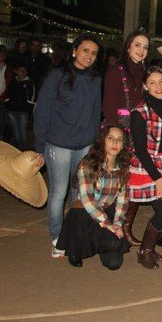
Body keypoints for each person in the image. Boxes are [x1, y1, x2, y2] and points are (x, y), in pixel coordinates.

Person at [34, 35, 103, 257]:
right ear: (74, 51)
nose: (89, 56)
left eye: (94, 53)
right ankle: (57, 238)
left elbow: (96, 113)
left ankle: (71, 235)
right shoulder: (57, 76)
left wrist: (94, 143)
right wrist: (39, 146)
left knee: (78, 192)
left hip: (84, 145)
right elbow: (42, 111)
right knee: (59, 192)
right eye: (85, 50)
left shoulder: (95, 79)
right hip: (58, 145)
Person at [55, 126, 132, 269]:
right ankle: (79, 246)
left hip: (107, 209)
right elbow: (88, 200)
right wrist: (107, 224)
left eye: (120, 140)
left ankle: (98, 243)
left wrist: (117, 224)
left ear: (123, 146)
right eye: (110, 138)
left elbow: (123, 200)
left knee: (114, 263)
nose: (115, 143)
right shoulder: (88, 163)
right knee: (102, 237)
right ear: (103, 141)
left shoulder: (123, 167)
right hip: (84, 212)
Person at [129, 66, 162, 269]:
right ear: (145, 86)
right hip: (149, 168)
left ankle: (151, 246)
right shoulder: (139, 112)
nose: (158, 86)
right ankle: (144, 250)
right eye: (152, 82)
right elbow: (141, 152)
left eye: (161, 81)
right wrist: (159, 180)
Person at [103, 30, 149, 129]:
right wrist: (116, 132)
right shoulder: (116, 71)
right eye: (137, 45)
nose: (141, 50)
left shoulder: (146, 74)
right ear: (128, 47)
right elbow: (108, 107)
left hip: (141, 129)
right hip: (120, 128)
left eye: (145, 47)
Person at [5, 62, 35, 150]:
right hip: (12, 110)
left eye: (24, 71)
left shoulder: (29, 83)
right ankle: (19, 150)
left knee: (23, 131)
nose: (22, 73)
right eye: (20, 71)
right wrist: (8, 106)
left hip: (23, 111)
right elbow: (8, 95)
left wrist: (29, 111)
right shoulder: (13, 82)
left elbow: (31, 98)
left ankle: (24, 150)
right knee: (16, 132)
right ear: (16, 71)